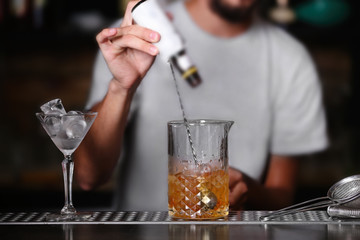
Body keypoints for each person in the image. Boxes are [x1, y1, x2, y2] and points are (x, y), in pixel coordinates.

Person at [75, 0, 328, 211]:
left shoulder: (291, 59)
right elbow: (88, 177)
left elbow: (281, 197)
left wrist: (248, 191)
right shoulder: (137, 35)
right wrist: (121, 87)